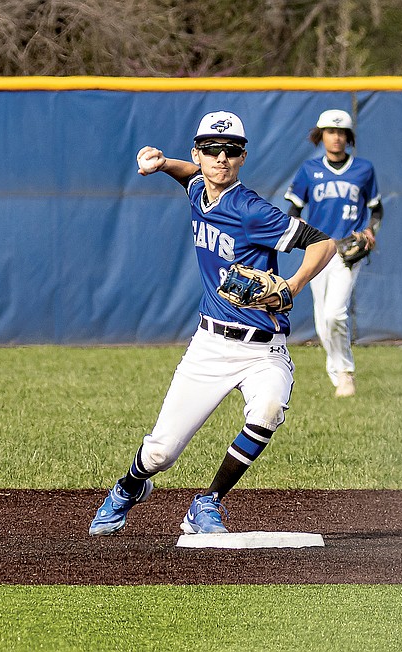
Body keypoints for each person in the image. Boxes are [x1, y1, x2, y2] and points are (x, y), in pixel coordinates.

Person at [89, 110, 335, 536]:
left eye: (231, 150)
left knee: (269, 408)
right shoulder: (199, 188)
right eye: (211, 150)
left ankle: (207, 502)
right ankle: (129, 487)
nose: (220, 158)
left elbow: (323, 243)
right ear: (197, 153)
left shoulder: (251, 209)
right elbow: (190, 177)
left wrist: (292, 286)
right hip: (211, 345)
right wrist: (163, 164)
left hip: (264, 347)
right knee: (160, 454)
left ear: (242, 157)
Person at [284, 109, 383, 398]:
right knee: (322, 321)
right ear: (321, 135)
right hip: (317, 247)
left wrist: (370, 230)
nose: (336, 137)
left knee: (335, 314)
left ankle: (345, 373)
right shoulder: (309, 170)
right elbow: (294, 208)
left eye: (341, 132)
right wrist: (297, 223)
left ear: (348, 137)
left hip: (346, 250)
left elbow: (376, 209)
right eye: (330, 131)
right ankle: (338, 370)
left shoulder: (363, 169)